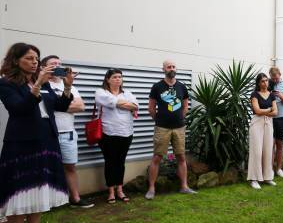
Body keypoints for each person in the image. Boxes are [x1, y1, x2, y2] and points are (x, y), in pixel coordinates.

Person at [0, 43, 75, 223]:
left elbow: (60, 106)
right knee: (19, 192)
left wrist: (67, 86)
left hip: (46, 141)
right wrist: (38, 84)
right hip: (22, 144)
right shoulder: (6, 84)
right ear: (15, 60)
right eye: (29, 59)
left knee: (39, 188)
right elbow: (18, 108)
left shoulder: (44, 83)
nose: (34, 62)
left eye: (36, 59)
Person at [42, 55, 93, 208]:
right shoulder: (43, 85)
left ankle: (75, 198)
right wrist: (62, 104)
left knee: (70, 166)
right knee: (46, 167)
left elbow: (81, 106)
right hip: (48, 133)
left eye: (59, 63)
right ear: (44, 67)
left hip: (68, 133)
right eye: (53, 63)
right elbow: (45, 106)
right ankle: (46, 203)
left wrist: (56, 105)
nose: (58, 65)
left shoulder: (70, 86)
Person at [146, 60, 197, 200]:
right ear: (163, 69)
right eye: (169, 67)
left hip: (179, 128)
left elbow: (185, 105)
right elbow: (151, 108)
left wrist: (180, 117)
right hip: (162, 128)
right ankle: (151, 188)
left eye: (174, 66)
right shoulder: (157, 87)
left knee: (181, 157)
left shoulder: (181, 86)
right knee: (157, 157)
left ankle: (184, 187)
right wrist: (159, 120)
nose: (171, 69)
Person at [95, 69, 138, 203]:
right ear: (108, 79)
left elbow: (135, 106)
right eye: (114, 77)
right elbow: (107, 101)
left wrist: (115, 103)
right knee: (110, 162)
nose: (118, 79)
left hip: (126, 132)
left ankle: (120, 190)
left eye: (120, 77)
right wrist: (126, 105)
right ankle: (111, 192)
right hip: (108, 133)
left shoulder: (128, 93)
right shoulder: (101, 92)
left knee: (120, 162)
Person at [247, 73, 278, 189]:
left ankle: (267, 177)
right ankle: (254, 179)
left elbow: (276, 112)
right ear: (258, 83)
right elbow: (257, 111)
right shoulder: (254, 94)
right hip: (257, 124)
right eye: (262, 81)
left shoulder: (272, 95)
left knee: (268, 151)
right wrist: (269, 109)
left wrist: (266, 111)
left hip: (268, 123)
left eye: (266, 81)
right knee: (257, 151)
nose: (265, 83)